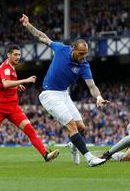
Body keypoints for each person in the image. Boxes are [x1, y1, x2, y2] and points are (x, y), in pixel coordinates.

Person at [20, 14, 110, 167]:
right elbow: (43, 37)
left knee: (81, 127)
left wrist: (99, 97)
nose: (83, 57)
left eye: (85, 54)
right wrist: (28, 25)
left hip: (63, 94)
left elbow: (92, 86)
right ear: (73, 49)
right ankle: (89, 158)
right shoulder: (62, 49)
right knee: (72, 126)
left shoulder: (84, 65)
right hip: (49, 94)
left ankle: (73, 146)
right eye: (81, 53)